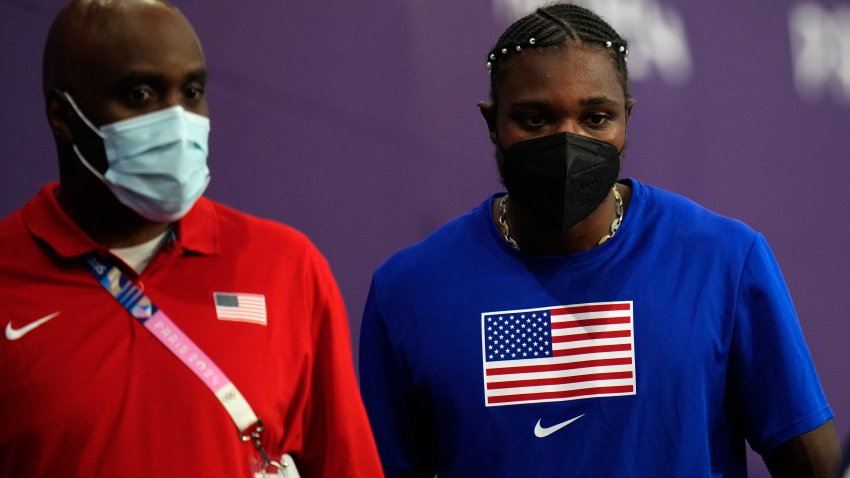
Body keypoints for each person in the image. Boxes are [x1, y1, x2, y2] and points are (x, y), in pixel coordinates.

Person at [358, 3, 840, 477]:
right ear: (492, 124)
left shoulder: (722, 261)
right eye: (534, 120)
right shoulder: (409, 290)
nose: (567, 141)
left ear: (626, 118)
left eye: (595, 118)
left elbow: (810, 462)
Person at [0, 1, 382, 477]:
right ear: (62, 114)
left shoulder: (286, 267)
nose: (178, 121)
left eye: (192, 91)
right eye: (140, 93)